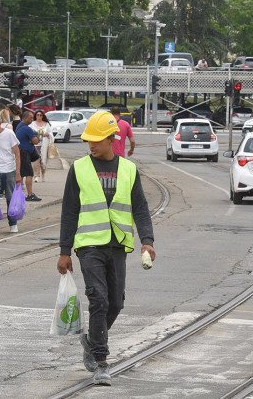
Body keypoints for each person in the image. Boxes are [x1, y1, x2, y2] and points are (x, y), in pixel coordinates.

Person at [57, 111, 156, 387]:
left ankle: (91, 341)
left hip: (118, 244)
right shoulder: (78, 169)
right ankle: (101, 360)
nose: (91, 145)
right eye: (88, 140)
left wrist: (147, 240)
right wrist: (64, 250)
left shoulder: (128, 169)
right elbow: (69, 212)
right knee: (98, 299)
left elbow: (141, 208)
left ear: (112, 139)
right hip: (88, 245)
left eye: (96, 140)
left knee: (116, 302)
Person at [14, 109, 42, 202]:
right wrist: (34, 138)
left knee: (21, 174)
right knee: (29, 174)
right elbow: (35, 141)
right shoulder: (27, 128)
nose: (32, 119)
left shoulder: (19, 126)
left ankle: (19, 193)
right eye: (30, 118)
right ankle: (30, 195)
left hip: (19, 151)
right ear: (25, 118)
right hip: (24, 153)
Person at [31, 110, 53, 182]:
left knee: (43, 161)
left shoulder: (46, 124)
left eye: (41, 115)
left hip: (44, 145)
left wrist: (48, 134)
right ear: (35, 116)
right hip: (35, 145)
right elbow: (29, 133)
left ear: (43, 116)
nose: (39, 116)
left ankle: (43, 174)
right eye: (38, 115)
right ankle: (36, 176)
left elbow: (51, 133)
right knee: (36, 160)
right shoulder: (32, 124)